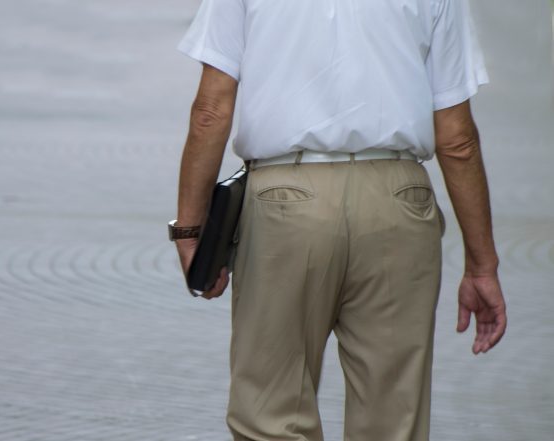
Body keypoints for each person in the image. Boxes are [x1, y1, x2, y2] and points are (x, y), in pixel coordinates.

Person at [169, 0, 507, 439]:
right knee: (393, 420)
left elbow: (210, 111)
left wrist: (192, 229)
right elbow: (457, 138)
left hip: (284, 200)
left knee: (271, 417)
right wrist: (482, 265)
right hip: (399, 201)